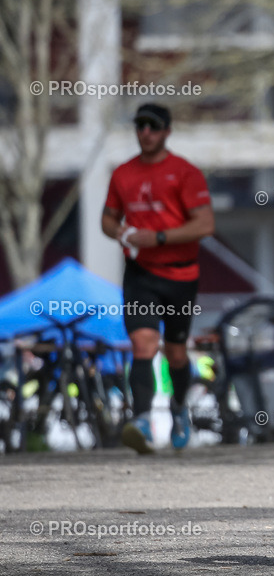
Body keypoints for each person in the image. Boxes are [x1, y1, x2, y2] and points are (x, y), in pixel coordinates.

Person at [102, 103, 214, 454]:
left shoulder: (185, 173)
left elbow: (205, 224)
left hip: (181, 275)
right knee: (143, 344)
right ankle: (141, 421)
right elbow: (107, 219)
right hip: (140, 273)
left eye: (153, 126)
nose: (146, 132)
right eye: (140, 126)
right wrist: (121, 233)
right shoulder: (123, 174)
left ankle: (179, 410)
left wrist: (159, 237)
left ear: (167, 131)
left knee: (176, 354)